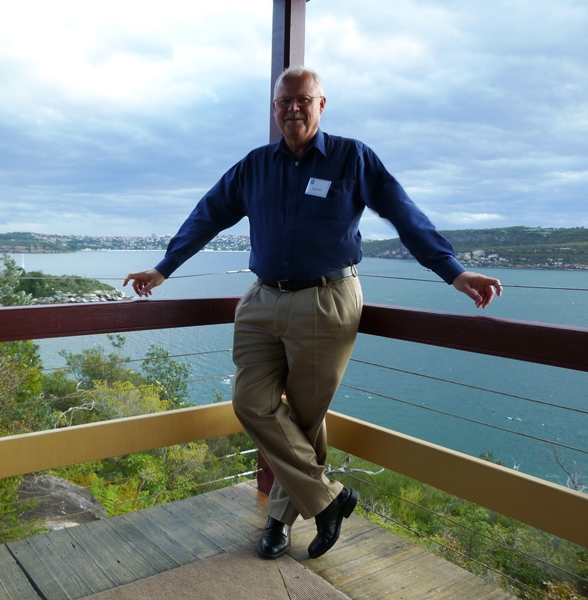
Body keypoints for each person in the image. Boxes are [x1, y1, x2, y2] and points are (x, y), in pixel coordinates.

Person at [124, 66, 502, 560]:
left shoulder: (352, 158)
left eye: (303, 99)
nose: (293, 108)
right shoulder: (255, 165)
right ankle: (328, 500)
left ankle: (279, 522)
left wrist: (453, 272)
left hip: (327, 299)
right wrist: (164, 268)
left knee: (304, 416)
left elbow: (404, 214)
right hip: (261, 299)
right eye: (284, 101)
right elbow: (207, 215)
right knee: (250, 402)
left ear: (321, 104)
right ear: (274, 108)